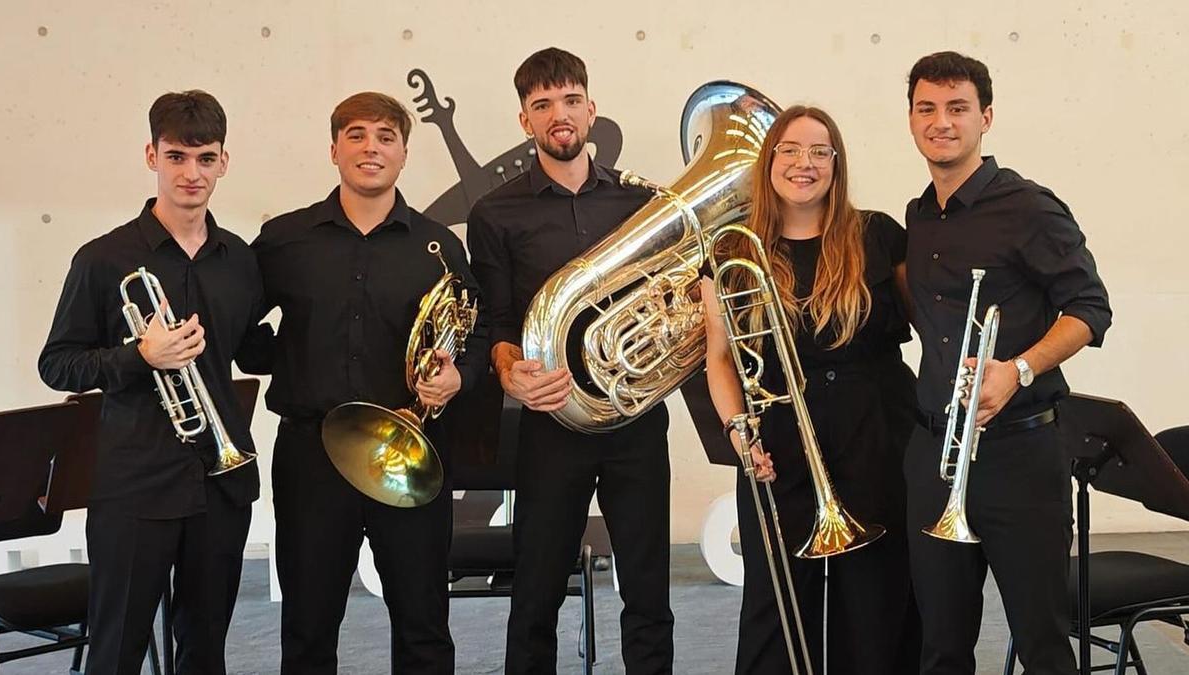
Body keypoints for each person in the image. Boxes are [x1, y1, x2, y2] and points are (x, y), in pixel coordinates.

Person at [251, 91, 487, 675]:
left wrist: (459, 374)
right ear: (334, 149)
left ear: (404, 153)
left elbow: (476, 332)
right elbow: (239, 325)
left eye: (385, 137)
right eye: (356, 134)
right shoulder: (285, 239)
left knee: (423, 623)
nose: (370, 148)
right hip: (312, 454)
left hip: (406, 449)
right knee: (307, 623)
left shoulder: (438, 245)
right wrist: (288, 358)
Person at [38, 90, 265, 674]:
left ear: (224, 162)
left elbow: (249, 346)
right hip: (135, 485)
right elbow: (57, 363)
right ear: (152, 156)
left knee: (205, 646)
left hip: (221, 483)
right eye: (177, 158)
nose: (192, 174)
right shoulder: (104, 258)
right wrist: (140, 355)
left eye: (206, 158)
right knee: (117, 648)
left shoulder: (238, 259)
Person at [902, 51, 1112, 674]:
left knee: (1043, 646)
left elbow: (1090, 308)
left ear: (986, 117)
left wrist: (1017, 368)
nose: (942, 122)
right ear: (911, 119)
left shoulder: (1029, 207)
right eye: (927, 108)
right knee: (938, 648)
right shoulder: (918, 216)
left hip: (1020, 457)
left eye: (958, 108)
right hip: (934, 456)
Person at [467, 47, 675, 674]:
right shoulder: (494, 214)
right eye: (542, 105)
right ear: (525, 121)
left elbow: (669, 301)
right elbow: (498, 324)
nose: (559, 115)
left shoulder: (642, 203)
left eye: (570, 100)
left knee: (648, 591)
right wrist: (509, 370)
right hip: (551, 421)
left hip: (634, 418)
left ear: (591, 108)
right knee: (535, 592)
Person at [701, 105, 920, 675]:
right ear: (769, 161)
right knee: (774, 608)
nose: (804, 163)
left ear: (836, 164)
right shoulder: (732, 250)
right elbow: (720, 360)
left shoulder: (877, 235)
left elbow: (929, 323)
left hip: (875, 429)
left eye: (819, 152)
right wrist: (737, 433)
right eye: (790, 150)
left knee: (878, 602)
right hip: (776, 439)